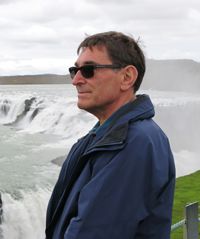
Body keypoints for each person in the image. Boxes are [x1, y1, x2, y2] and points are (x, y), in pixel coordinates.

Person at [45, 31, 175, 239]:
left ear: (127, 77)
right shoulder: (104, 137)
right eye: (74, 70)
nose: (76, 80)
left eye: (88, 70)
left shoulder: (133, 142)